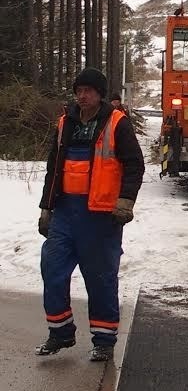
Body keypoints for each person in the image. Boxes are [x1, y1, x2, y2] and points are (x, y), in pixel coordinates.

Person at [36, 67, 145, 362]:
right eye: (78, 91)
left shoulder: (117, 123)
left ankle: (104, 340)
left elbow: (135, 165)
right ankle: (60, 332)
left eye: (88, 91)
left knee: (100, 278)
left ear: (99, 94)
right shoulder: (64, 123)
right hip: (65, 212)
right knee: (52, 268)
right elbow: (53, 168)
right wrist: (47, 208)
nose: (82, 96)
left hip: (100, 215)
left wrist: (125, 201)